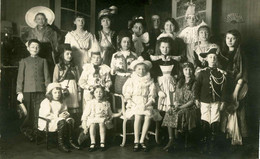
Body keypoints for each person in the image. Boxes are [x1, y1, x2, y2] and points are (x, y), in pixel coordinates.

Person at [122, 57, 161, 152]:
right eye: (139, 69)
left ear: (146, 70)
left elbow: (152, 95)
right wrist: (131, 102)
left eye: (143, 69)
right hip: (134, 103)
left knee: (148, 116)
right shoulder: (132, 80)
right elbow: (127, 94)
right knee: (138, 116)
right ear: (135, 69)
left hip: (146, 103)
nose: (141, 71)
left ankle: (142, 140)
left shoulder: (150, 80)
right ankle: (136, 140)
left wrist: (147, 104)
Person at [16, 39, 51, 141]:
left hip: (41, 91)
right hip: (27, 91)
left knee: (39, 111)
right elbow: (20, 78)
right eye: (32, 47)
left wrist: (48, 91)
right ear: (28, 48)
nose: (35, 49)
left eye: (37, 47)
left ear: (39, 49)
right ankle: (27, 131)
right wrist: (19, 92)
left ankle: (38, 131)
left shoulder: (43, 61)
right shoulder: (24, 61)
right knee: (29, 112)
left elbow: (47, 77)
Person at [194, 47, 227, 154]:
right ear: (207, 59)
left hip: (216, 101)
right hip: (204, 100)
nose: (212, 59)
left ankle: (213, 144)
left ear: (217, 60)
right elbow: (197, 87)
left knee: (215, 119)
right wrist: (196, 99)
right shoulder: (202, 73)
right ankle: (205, 142)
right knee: (205, 118)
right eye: (210, 57)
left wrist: (223, 101)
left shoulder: (221, 74)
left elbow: (224, 90)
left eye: (214, 57)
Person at [219, 29, 248, 146]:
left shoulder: (241, 54)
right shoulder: (223, 53)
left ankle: (237, 137)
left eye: (233, 38)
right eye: (227, 38)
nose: (229, 41)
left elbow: (244, 73)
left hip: (237, 85)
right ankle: (227, 134)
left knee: (238, 108)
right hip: (225, 85)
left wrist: (236, 89)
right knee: (223, 107)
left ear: (237, 40)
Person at [162, 62, 198, 151]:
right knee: (170, 112)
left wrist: (181, 107)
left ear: (193, 71)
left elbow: (192, 100)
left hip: (190, 107)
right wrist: (176, 104)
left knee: (180, 113)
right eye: (186, 69)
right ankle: (171, 140)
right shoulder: (180, 82)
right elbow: (176, 97)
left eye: (190, 69)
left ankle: (177, 139)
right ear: (183, 71)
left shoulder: (195, 83)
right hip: (180, 105)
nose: (188, 72)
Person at [38, 83, 79, 152]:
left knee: (69, 120)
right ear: (50, 93)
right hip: (48, 120)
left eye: (59, 92)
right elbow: (46, 114)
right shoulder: (46, 102)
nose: (58, 94)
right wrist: (58, 116)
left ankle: (70, 141)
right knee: (62, 122)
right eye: (55, 93)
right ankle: (60, 144)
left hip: (58, 118)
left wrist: (65, 114)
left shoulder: (62, 101)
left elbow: (65, 110)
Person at [22, 6, 59, 80]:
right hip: (36, 51)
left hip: (47, 52)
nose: (40, 20)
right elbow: (25, 39)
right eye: (38, 19)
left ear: (45, 20)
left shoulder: (51, 31)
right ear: (35, 20)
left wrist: (55, 51)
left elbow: (55, 43)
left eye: (42, 19)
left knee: (48, 69)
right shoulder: (31, 31)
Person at [81, 85, 121, 152]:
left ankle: (102, 142)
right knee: (92, 124)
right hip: (92, 119)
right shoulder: (90, 103)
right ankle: (92, 143)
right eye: (96, 92)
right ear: (93, 93)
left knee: (101, 122)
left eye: (101, 92)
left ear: (103, 93)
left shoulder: (106, 103)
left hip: (103, 120)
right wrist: (84, 123)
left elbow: (111, 114)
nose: (98, 94)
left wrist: (120, 114)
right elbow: (85, 115)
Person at [53, 44, 81, 128]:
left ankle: (73, 127)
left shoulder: (75, 67)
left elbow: (79, 81)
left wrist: (79, 92)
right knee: (64, 106)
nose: (69, 56)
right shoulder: (58, 66)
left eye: (71, 54)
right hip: (62, 87)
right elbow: (55, 80)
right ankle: (63, 127)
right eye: (67, 54)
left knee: (73, 108)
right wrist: (58, 90)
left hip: (73, 88)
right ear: (62, 55)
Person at [151, 37, 180, 112]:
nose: (165, 49)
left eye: (167, 47)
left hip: (171, 86)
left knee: (171, 104)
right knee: (160, 106)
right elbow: (154, 78)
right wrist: (158, 90)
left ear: (170, 48)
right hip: (161, 86)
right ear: (159, 48)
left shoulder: (174, 62)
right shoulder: (156, 62)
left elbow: (177, 76)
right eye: (163, 47)